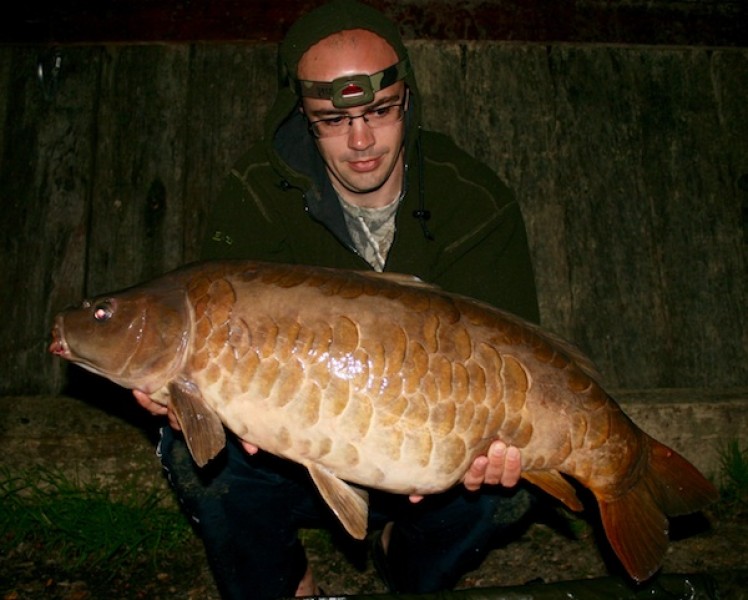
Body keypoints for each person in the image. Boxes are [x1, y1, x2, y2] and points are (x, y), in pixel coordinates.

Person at [135, 1, 540, 597]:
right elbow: (205, 337)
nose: (359, 140)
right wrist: (176, 389)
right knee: (192, 453)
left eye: (380, 111)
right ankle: (283, 580)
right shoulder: (256, 196)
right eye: (331, 119)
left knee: (513, 485)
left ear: (408, 100)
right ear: (302, 116)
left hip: (426, 453)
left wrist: (491, 446)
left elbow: (517, 361)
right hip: (291, 456)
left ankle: (405, 561)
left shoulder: (475, 201)